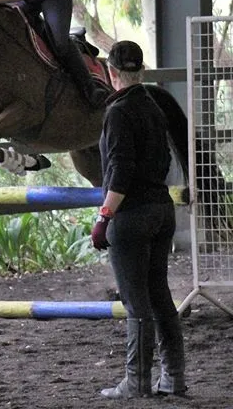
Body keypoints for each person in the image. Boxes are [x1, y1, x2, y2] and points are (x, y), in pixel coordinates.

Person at [90, 40, 187, 399]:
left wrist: (104, 217)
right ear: (141, 71)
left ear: (112, 74)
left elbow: (120, 173)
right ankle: (173, 375)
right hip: (162, 209)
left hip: (132, 215)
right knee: (160, 294)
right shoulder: (153, 105)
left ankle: (137, 381)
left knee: (136, 302)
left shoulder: (117, 113)